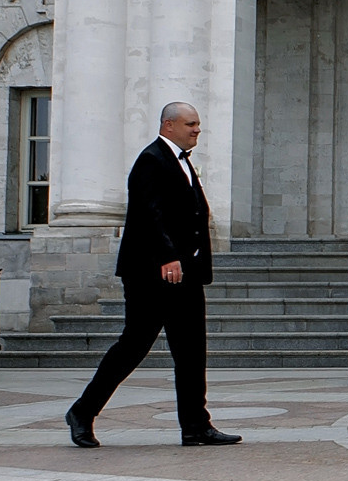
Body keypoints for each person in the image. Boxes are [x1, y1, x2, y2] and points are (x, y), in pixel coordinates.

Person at [64, 103, 243, 448]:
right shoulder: (151, 159)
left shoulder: (183, 161)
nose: (197, 130)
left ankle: (196, 426)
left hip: (185, 274)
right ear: (169, 125)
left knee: (192, 350)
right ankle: (82, 412)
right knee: (133, 346)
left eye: (198, 125)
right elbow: (149, 214)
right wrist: (168, 257)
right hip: (153, 274)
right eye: (190, 124)